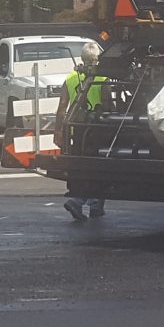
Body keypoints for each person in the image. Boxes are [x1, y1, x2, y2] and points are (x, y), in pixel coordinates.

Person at [59, 43, 110, 221]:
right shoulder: (103, 78)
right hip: (97, 130)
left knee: (81, 167)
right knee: (99, 168)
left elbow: (62, 107)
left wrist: (59, 131)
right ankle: (82, 201)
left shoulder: (71, 78)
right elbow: (108, 104)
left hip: (76, 130)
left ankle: (95, 205)